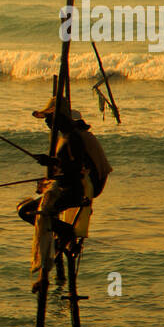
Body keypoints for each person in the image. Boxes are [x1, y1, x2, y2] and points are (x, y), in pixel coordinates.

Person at [16, 96, 111, 291]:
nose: (46, 122)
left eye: (49, 117)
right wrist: (51, 163)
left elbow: (73, 172)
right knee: (26, 207)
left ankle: (64, 232)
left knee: (29, 212)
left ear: (59, 117)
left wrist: (53, 172)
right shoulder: (71, 135)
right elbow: (71, 165)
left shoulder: (71, 138)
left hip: (77, 190)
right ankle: (61, 234)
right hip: (76, 185)